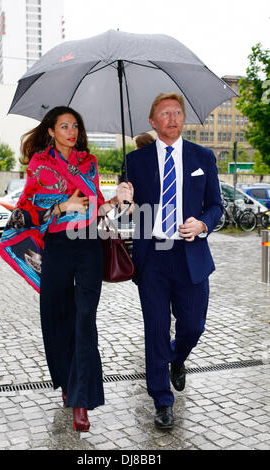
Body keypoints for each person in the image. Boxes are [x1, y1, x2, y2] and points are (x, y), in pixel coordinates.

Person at [0, 106, 120, 432]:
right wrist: (62, 205)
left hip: (89, 245)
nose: (71, 131)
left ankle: (81, 400)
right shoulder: (39, 165)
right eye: (64, 126)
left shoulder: (89, 163)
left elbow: (97, 208)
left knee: (84, 319)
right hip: (57, 248)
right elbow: (28, 212)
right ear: (51, 131)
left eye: (75, 125)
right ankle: (67, 382)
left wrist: (118, 201)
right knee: (57, 318)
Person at [117, 93, 222, 429]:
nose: (173, 118)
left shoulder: (203, 157)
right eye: (165, 113)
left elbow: (216, 206)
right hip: (153, 258)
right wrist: (123, 203)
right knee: (156, 330)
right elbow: (125, 215)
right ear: (153, 121)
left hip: (191, 255)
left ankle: (177, 358)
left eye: (178, 112)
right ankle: (162, 400)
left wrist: (203, 223)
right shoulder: (136, 161)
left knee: (194, 325)